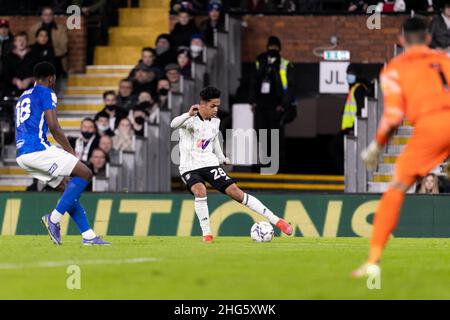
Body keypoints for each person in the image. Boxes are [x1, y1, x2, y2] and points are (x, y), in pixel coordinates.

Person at [352, 17, 450, 278]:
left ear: (401, 40)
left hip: (431, 127)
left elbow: (394, 116)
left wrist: (375, 147)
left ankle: (373, 261)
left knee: (395, 189)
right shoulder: (445, 60)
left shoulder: (395, 69)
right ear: (428, 39)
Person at [170, 86, 293, 243]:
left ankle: (277, 221)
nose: (216, 109)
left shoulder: (216, 121)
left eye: (218, 106)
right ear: (202, 105)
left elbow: (213, 139)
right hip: (189, 167)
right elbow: (173, 124)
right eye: (212, 106)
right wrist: (188, 114)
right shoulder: (189, 120)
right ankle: (207, 235)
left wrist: (221, 157)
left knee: (237, 193)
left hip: (209, 163)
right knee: (200, 191)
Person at [14, 62, 109, 245]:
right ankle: (54, 219)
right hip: (37, 149)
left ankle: (88, 236)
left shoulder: (24, 95)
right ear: (52, 79)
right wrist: (70, 151)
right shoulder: (47, 92)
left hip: (22, 154)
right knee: (85, 173)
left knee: (68, 191)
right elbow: (54, 126)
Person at [249, 35, 295, 171]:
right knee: (261, 135)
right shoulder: (260, 61)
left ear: (279, 49)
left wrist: (284, 105)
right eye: (270, 47)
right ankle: (262, 164)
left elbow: (291, 87)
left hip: (277, 106)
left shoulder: (285, 64)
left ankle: (276, 167)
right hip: (261, 105)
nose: (272, 49)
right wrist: (252, 101)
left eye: (275, 47)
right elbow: (253, 82)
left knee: (275, 137)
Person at [29, 6, 68, 76]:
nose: (48, 16)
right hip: (38, 64)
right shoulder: (34, 29)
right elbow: (31, 45)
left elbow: (64, 47)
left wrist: (49, 53)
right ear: (42, 16)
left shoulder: (61, 29)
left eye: (50, 14)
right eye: (45, 14)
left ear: (53, 16)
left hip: (58, 63)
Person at [3, 32, 37, 97]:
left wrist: (30, 80)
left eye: (24, 40)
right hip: (12, 92)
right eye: (19, 40)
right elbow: (5, 74)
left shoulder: (34, 56)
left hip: (31, 91)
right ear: (14, 43)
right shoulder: (8, 57)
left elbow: (39, 75)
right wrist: (15, 81)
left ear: (27, 42)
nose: (21, 42)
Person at [341, 64, 369, 134]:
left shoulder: (359, 89)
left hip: (354, 129)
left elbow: (361, 109)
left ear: (357, 76)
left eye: (351, 74)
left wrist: (354, 127)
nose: (348, 76)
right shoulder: (353, 89)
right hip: (350, 129)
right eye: (348, 73)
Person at [0, 19, 13, 95]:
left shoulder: (13, 41)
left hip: (9, 74)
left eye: (5, 28)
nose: (3, 30)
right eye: (1, 28)